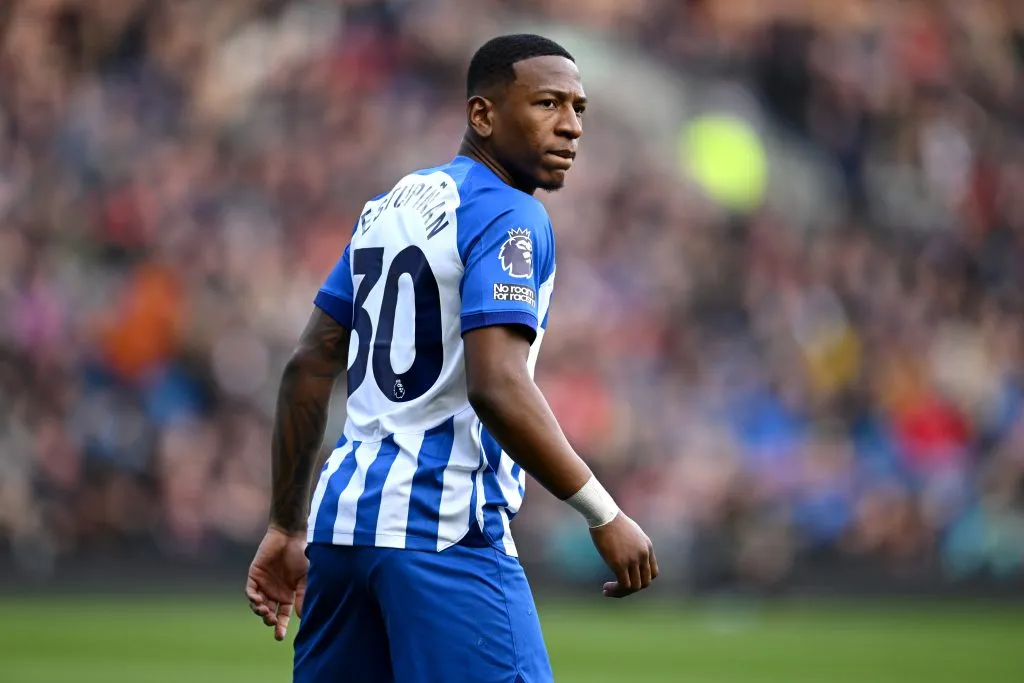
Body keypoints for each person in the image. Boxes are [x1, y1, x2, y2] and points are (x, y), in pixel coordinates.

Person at [245, 33, 658, 683]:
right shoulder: (510, 215)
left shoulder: (390, 207)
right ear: (483, 115)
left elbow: (309, 365)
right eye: (548, 103)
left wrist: (285, 523)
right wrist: (603, 514)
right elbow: (497, 384)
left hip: (342, 530)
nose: (571, 126)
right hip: (441, 531)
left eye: (579, 108)